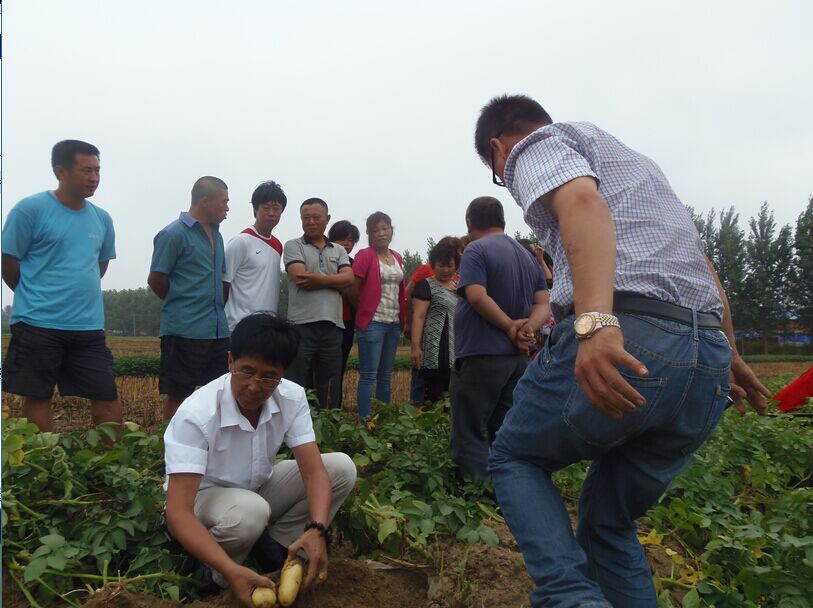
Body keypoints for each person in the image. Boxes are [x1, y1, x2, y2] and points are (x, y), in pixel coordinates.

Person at [476, 94, 772, 607]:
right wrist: (730, 352)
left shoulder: (537, 145)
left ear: (500, 149)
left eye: (498, 174)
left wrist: (595, 323)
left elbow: (581, 204)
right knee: (608, 523)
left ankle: (572, 598)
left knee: (514, 456)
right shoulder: (639, 168)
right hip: (704, 359)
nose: (509, 179)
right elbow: (701, 264)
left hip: (632, 333)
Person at [163, 313, 357, 608]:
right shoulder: (197, 414)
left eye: (269, 377)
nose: (255, 386)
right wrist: (229, 570)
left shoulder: (291, 397)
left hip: (255, 489)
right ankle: (216, 574)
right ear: (230, 361)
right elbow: (177, 513)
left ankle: (277, 549)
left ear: (282, 374)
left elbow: (314, 473)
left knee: (341, 468)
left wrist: (317, 529)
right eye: (247, 371)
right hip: (202, 500)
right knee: (250, 512)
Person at [1, 140, 122, 432]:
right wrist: (34, 295)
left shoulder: (102, 218)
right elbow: (9, 262)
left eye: (97, 170)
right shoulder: (30, 210)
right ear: (60, 171)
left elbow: (99, 266)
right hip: (37, 324)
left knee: (106, 396)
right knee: (38, 397)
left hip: (88, 327)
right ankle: (44, 458)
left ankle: (112, 459)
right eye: (86, 170)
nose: (94, 177)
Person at [450, 197, 549, 480]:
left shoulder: (476, 249)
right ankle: (509, 485)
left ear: (470, 222)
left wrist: (509, 327)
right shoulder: (527, 256)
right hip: (516, 359)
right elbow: (544, 302)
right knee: (504, 427)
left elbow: (476, 295)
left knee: (469, 427)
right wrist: (527, 328)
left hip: (481, 353)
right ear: (502, 221)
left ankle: (474, 489)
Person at [148, 176, 231, 421]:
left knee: (218, 393)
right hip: (184, 329)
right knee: (179, 394)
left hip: (217, 330)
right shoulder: (173, 234)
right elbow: (156, 279)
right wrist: (182, 303)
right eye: (223, 202)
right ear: (205, 201)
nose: (227, 208)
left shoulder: (217, 236)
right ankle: (170, 441)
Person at [283, 199, 354, 409]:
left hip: (333, 325)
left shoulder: (339, 250)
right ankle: (293, 424)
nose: (311, 222)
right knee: (295, 381)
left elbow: (349, 279)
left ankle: (329, 425)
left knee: (330, 384)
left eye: (316, 217)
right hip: (300, 325)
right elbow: (301, 278)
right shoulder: (293, 245)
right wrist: (335, 281)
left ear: (327, 219)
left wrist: (318, 279)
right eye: (306, 218)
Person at [350, 212, 407, 421]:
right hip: (372, 322)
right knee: (368, 375)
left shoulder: (397, 257)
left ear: (391, 230)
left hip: (393, 323)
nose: (381, 233)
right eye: (376, 230)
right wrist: (363, 310)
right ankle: (365, 422)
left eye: (385, 228)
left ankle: (383, 421)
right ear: (370, 235)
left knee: (385, 376)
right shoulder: (364, 256)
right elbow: (353, 289)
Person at [405, 236, 466, 405]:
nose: (445, 270)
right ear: (433, 265)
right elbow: (419, 316)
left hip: (453, 350)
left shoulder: (458, 287)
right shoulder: (426, 286)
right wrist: (415, 347)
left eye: (450, 266)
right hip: (433, 350)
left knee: (450, 399)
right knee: (432, 397)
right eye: (441, 265)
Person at [223, 180, 286, 330]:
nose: (271, 213)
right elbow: (223, 284)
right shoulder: (240, 242)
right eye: (266, 208)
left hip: (268, 327)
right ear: (255, 209)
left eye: (276, 208)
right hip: (238, 326)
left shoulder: (278, 245)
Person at [327, 220, 361, 409]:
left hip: (346, 322)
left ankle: (335, 409)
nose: (347, 244)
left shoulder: (354, 264)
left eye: (351, 240)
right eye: (342, 239)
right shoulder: (325, 259)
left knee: (339, 367)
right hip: (325, 319)